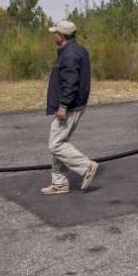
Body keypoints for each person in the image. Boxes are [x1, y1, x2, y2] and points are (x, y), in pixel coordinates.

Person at [42, 20, 98, 196]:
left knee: (55, 144)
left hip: (70, 106)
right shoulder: (77, 50)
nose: (53, 36)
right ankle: (59, 182)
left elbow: (71, 83)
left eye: (55, 33)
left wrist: (63, 105)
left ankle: (86, 166)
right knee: (60, 141)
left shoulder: (70, 54)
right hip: (73, 104)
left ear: (62, 35)